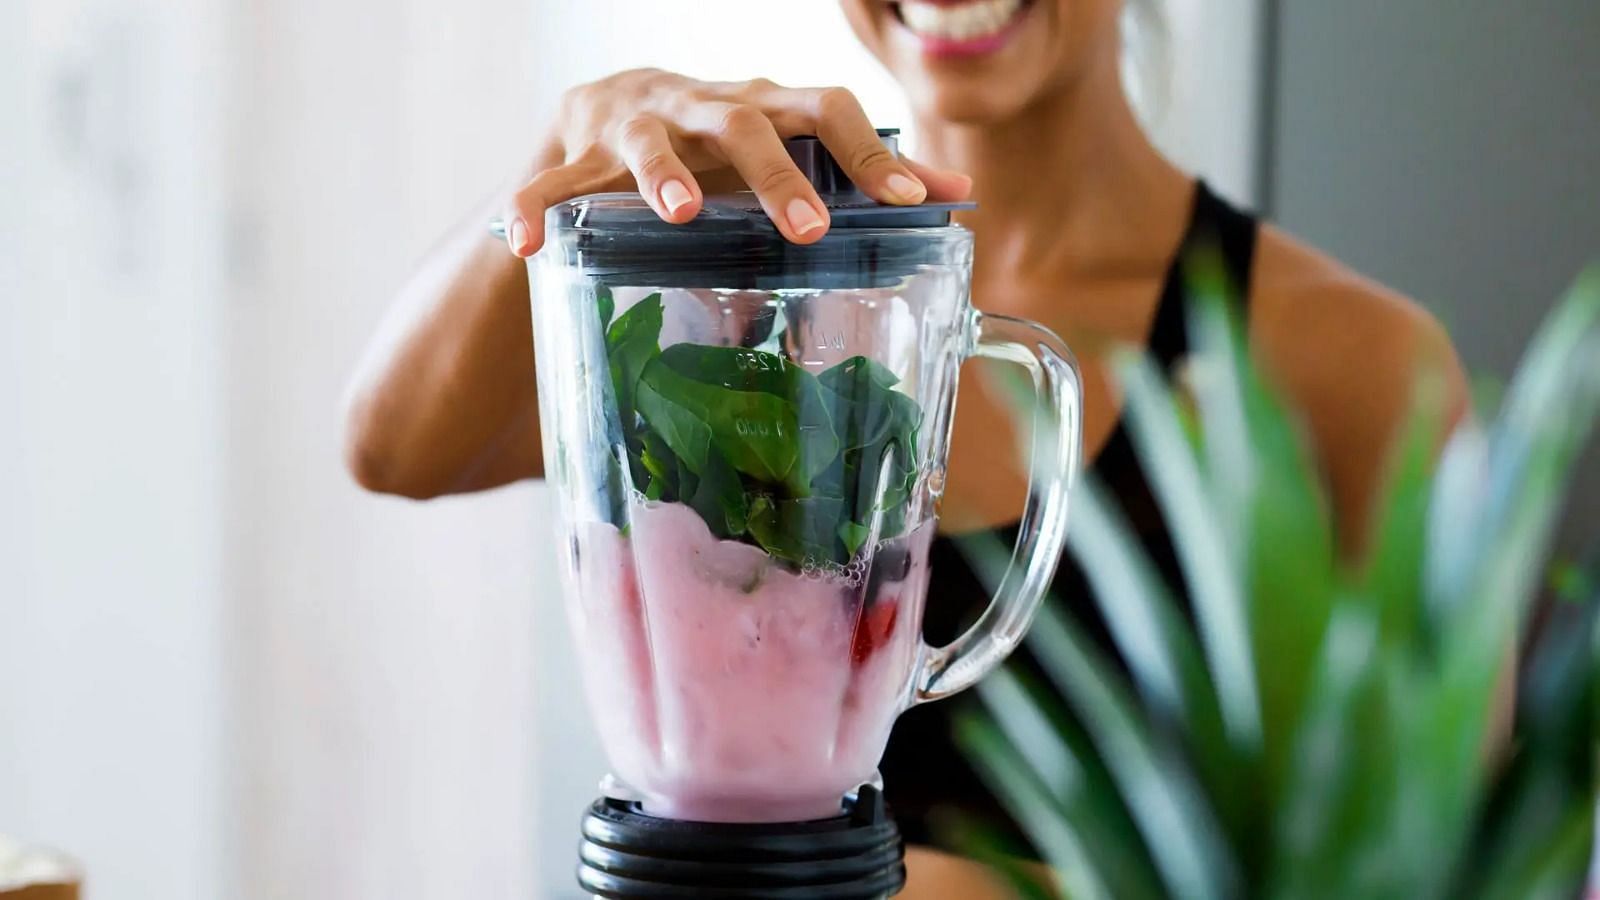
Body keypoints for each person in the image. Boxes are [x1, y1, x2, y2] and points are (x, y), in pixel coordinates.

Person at [343, 0, 1470, 895]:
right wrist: (572, 146)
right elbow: (392, 447)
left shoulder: (1348, 360)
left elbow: (1422, 864)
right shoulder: (734, 291)